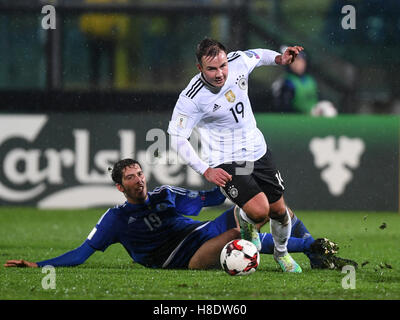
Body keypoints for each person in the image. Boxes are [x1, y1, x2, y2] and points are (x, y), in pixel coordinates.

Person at [4, 159, 357, 270]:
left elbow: (206, 198)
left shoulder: (165, 195)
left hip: (199, 232)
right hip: (178, 258)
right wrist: (40, 265)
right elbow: (82, 254)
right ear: (119, 187)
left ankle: (314, 250)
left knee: (266, 208)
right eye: (130, 178)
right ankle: (307, 247)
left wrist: (232, 182)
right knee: (239, 236)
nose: (139, 180)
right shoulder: (115, 219)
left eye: (140, 174)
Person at [167, 38, 306, 272]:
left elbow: (259, 55)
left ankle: (281, 255)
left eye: (222, 66)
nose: (219, 73)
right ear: (200, 68)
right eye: (211, 69)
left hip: (256, 149)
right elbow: (176, 138)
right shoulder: (191, 98)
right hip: (225, 159)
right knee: (259, 210)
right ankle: (247, 221)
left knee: (279, 212)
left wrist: (280, 59)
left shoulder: (238, 61)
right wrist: (206, 170)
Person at [271, 48, 338, 116]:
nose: (298, 64)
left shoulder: (311, 80)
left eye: (301, 61)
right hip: (298, 117)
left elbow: (318, 98)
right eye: (294, 61)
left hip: (313, 115)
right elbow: (284, 108)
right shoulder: (287, 82)